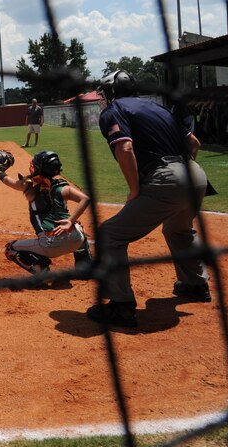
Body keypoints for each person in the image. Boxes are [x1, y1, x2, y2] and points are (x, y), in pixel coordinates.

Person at [87, 70, 210, 328]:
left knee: (110, 234)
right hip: (196, 175)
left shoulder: (114, 109)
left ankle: (121, 307)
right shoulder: (158, 107)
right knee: (179, 229)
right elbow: (195, 143)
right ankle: (196, 285)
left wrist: (135, 190)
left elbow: (125, 147)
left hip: (166, 176)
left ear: (111, 92)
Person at [0, 150, 92, 276]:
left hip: (50, 245)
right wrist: (70, 221)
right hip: (76, 240)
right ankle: (84, 268)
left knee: (11, 249)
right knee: (78, 226)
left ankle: (41, 272)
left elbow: (9, 181)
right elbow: (86, 199)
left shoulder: (29, 186)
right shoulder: (63, 188)